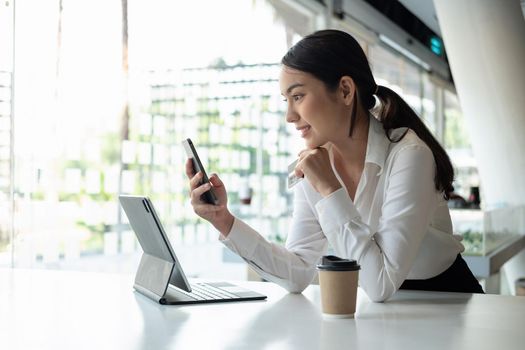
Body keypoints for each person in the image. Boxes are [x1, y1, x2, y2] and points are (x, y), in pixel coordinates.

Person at [185, 29, 483, 302]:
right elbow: (299, 271)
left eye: (298, 96)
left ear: (345, 90)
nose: (290, 115)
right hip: (387, 311)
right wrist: (223, 220)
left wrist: (329, 188)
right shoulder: (314, 163)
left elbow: (379, 283)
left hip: (449, 302)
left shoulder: (409, 155)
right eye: (286, 100)